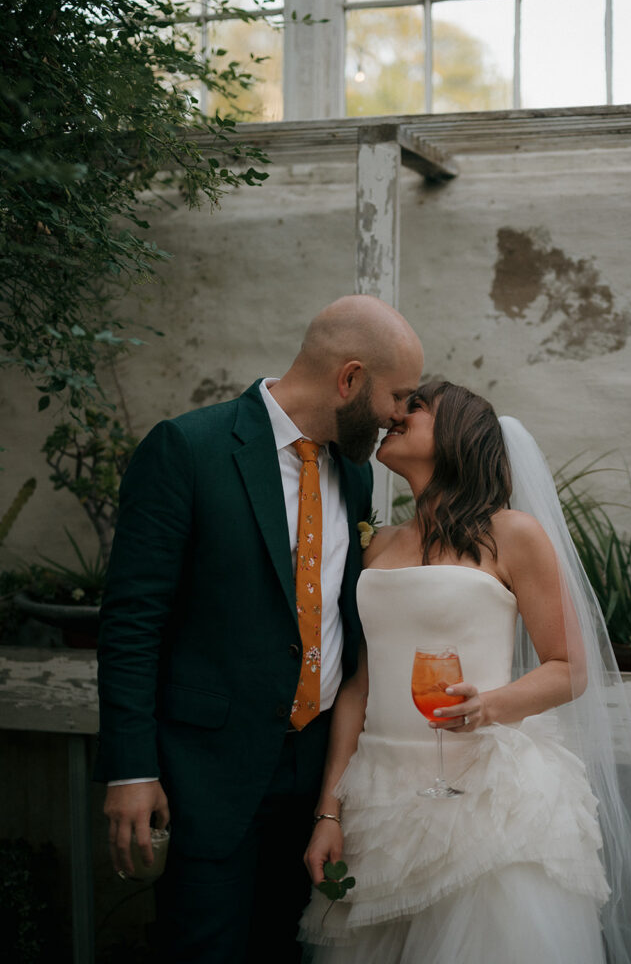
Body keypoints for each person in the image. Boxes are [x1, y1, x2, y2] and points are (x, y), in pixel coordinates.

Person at [300, 381, 631, 964]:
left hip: (482, 794)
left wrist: (491, 706)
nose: (393, 415)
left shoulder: (513, 533)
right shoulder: (379, 547)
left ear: (455, 434)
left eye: (414, 407)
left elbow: (572, 666)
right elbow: (360, 687)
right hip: (379, 792)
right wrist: (331, 810)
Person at [94, 294, 424, 963]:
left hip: (316, 777)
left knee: (287, 948)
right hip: (207, 773)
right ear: (350, 379)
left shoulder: (354, 473)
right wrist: (131, 769)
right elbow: (133, 620)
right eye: (398, 395)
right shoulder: (187, 448)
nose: (399, 415)